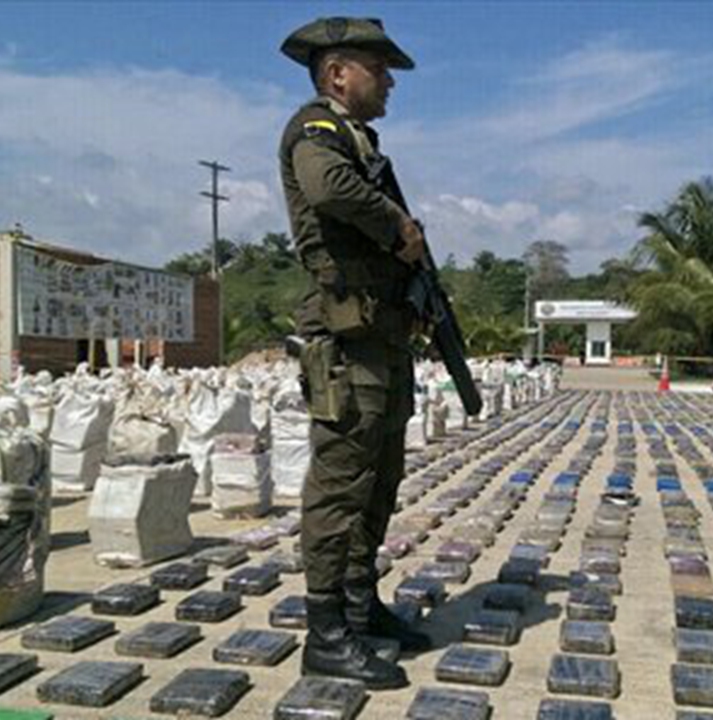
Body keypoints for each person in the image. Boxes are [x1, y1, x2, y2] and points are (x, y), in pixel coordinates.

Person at [278, 17, 428, 690]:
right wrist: (399, 226)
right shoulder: (317, 132)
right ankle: (326, 632)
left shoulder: (363, 144)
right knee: (340, 485)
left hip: (381, 337)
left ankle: (362, 607)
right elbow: (329, 190)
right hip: (345, 339)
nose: (390, 80)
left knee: (381, 478)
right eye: (379, 67)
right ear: (338, 73)